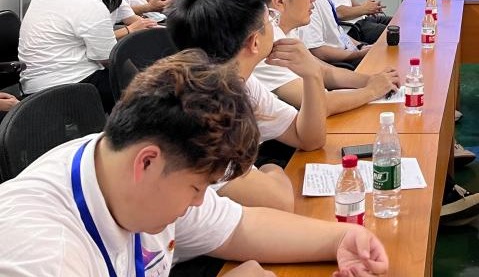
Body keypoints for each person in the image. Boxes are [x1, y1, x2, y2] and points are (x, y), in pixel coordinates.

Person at [0, 50, 388, 276]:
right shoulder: (42, 255)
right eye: (197, 188)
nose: (201, 201)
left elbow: (241, 228)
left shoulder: (134, 168)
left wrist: (340, 239)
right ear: (146, 163)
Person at [167, 0, 328, 211]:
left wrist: (312, 76)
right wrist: (270, 168)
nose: (274, 25)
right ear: (254, 42)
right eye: (270, 19)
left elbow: (309, 138)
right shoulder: (200, 112)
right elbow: (280, 201)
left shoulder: (240, 81)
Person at [250, 0, 399, 115]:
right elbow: (320, 105)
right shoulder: (265, 45)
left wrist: (370, 80)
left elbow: (323, 71)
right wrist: (372, 90)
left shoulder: (285, 30)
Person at [18, 0, 117, 111]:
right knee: (135, 84)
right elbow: (108, 58)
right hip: (70, 88)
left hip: (33, 88)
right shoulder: (89, 5)